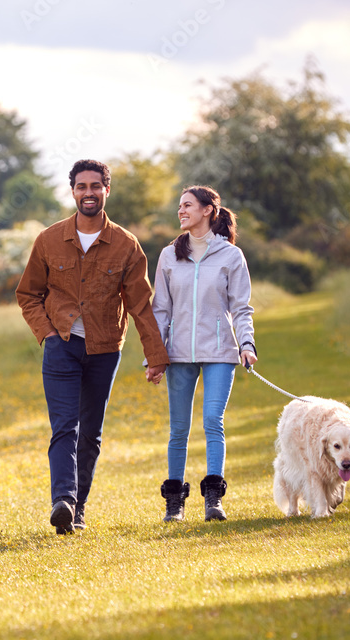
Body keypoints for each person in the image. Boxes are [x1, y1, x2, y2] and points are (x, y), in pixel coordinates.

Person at [16, 159, 169, 535]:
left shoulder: (126, 245)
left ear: (106, 191)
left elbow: (140, 305)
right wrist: (48, 334)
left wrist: (155, 356)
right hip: (61, 346)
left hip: (104, 350)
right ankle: (63, 501)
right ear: (72, 192)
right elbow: (28, 294)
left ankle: (78, 507)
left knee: (91, 432)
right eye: (81, 186)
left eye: (95, 186)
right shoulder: (49, 240)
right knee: (64, 426)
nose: (88, 193)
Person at [152, 185, 257, 522]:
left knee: (213, 421)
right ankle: (175, 504)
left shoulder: (231, 256)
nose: (181, 211)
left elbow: (241, 308)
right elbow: (160, 311)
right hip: (178, 353)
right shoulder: (169, 255)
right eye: (180, 206)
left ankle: (214, 500)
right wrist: (154, 356)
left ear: (208, 210)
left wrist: (247, 344)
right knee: (178, 429)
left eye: (187, 205)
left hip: (220, 352)